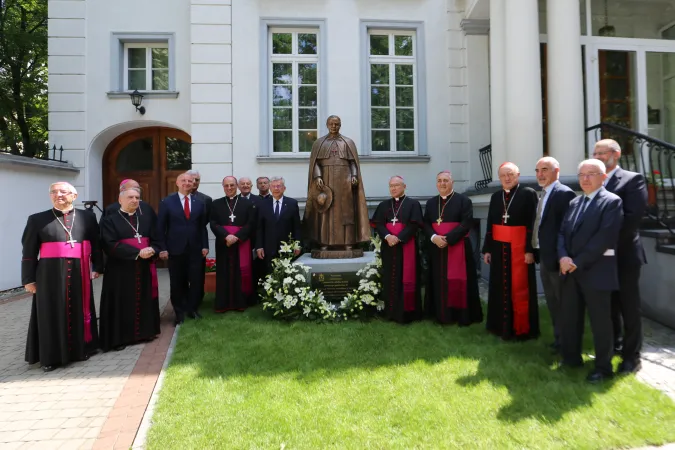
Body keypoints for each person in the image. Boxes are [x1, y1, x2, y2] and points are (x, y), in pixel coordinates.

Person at [21, 182, 103, 372]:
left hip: (79, 272)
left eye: (63, 192)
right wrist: (28, 279)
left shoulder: (87, 217)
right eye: (54, 192)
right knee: (49, 313)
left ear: (74, 196)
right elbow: (28, 252)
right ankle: (50, 357)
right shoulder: (36, 219)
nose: (58, 195)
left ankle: (81, 350)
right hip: (49, 276)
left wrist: (97, 266)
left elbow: (96, 244)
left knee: (79, 310)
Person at [558, 159, 623, 383]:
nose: (585, 179)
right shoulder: (575, 203)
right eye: (582, 175)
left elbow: (603, 238)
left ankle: (603, 368)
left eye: (591, 174)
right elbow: (562, 233)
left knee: (600, 323)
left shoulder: (611, 202)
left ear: (603, 177)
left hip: (596, 272)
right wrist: (563, 257)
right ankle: (571, 358)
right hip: (571, 271)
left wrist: (577, 261)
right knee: (571, 318)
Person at [592, 139, 648, 374]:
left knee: (628, 306)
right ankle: (612, 346)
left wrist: (603, 243)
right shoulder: (594, 182)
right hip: (601, 257)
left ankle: (632, 357)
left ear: (616, 154)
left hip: (623, 255)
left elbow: (632, 218)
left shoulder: (632, 179)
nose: (597, 157)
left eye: (601, 153)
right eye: (594, 153)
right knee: (609, 306)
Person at [99, 187, 162, 351]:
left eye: (137, 197)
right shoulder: (109, 220)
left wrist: (153, 249)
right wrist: (137, 253)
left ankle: (144, 333)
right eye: (130, 197)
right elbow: (109, 244)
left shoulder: (146, 219)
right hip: (120, 270)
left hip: (143, 266)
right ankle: (120, 339)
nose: (134, 200)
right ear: (120, 200)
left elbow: (157, 239)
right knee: (121, 302)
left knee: (143, 299)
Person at [482, 162, 540, 340]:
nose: (507, 178)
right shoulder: (496, 196)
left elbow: (533, 225)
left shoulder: (528, 194)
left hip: (520, 249)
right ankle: (498, 326)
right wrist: (487, 249)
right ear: (499, 178)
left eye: (511, 175)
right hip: (499, 250)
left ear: (518, 175)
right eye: (503, 176)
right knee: (499, 286)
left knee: (520, 288)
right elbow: (491, 224)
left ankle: (521, 329)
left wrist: (530, 250)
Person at [423, 171, 482, 325]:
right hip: (436, 247)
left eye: (445, 181)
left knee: (458, 281)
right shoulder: (430, 203)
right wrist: (434, 238)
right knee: (437, 280)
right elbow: (426, 224)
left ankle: (459, 315)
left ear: (452, 182)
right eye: (439, 181)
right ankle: (439, 314)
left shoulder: (463, 201)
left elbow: (466, 223)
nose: (442, 184)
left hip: (458, 246)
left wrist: (448, 239)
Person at [303, 115, 370, 251]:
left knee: (346, 211)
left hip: (344, 181)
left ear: (340, 125)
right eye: (331, 124)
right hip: (326, 182)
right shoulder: (319, 143)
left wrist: (354, 175)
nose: (334, 127)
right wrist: (318, 177)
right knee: (325, 211)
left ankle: (348, 242)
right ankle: (324, 243)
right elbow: (315, 163)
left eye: (337, 124)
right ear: (327, 125)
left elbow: (352, 162)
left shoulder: (347, 142)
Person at [533, 157, 576, 352]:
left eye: (545, 170)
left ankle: (568, 343)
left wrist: (563, 257)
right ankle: (560, 340)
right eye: (537, 170)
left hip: (558, 259)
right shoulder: (543, 194)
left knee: (563, 302)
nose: (540, 174)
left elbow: (567, 230)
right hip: (545, 256)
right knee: (552, 301)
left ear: (556, 171)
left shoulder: (563, 194)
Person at [157, 173, 209, 325]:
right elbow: (160, 227)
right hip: (175, 249)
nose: (187, 183)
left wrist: (205, 245)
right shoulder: (167, 202)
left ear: (193, 184)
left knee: (196, 280)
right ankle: (179, 313)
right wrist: (163, 248)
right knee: (177, 282)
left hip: (195, 249)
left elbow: (202, 227)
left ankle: (192, 309)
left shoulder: (199, 203)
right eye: (184, 181)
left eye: (190, 181)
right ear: (178, 183)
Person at [372, 176, 424, 323]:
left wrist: (399, 237)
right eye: (391, 186)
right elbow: (378, 224)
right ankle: (390, 312)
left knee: (406, 277)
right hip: (388, 248)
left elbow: (414, 225)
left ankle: (407, 313)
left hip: (406, 246)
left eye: (396, 185)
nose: (393, 188)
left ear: (404, 186)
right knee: (390, 279)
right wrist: (388, 236)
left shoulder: (413, 204)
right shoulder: (383, 205)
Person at [210, 177, 256, 312]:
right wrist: (226, 236)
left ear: (237, 186)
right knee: (223, 272)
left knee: (240, 272)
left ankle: (239, 302)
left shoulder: (247, 204)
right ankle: (222, 303)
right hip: (223, 243)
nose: (229, 188)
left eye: (232, 185)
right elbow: (213, 223)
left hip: (241, 242)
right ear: (223, 186)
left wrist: (237, 237)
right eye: (226, 185)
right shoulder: (216, 203)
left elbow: (251, 223)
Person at [256, 177, 301, 273]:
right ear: (270, 188)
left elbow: (297, 226)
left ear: (284, 188)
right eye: (273, 186)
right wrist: (259, 246)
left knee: (287, 275)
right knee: (269, 275)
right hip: (268, 248)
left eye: (279, 186)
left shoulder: (292, 203)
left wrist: (297, 245)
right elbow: (259, 227)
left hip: (287, 247)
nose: (276, 188)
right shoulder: (262, 204)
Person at [187, 169, 212, 307]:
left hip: (198, 240)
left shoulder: (206, 200)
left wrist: (204, 244)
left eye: (197, 180)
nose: (194, 182)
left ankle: (197, 302)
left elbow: (205, 223)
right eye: (192, 179)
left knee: (198, 274)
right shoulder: (173, 198)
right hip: (180, 243)